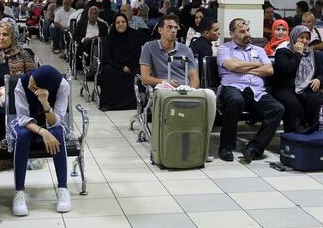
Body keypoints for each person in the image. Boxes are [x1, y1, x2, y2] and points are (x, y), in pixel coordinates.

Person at [140, 15, 215, 161]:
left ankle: (204, 143)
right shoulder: (149, 47)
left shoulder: (185, 50)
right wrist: (165, 81)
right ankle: (161, 145)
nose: (174, 30)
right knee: (164, 94)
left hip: (185, 88)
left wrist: (190, 91)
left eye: (175, 27)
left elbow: (195, 79)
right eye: (169, 27)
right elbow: (145, 78)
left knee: (210, 95)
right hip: (163, 89)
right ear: (160, 30)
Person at [217, 18, 285, 162]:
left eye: (247, 30)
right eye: (242, 31)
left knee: (278, 109)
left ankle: (254, 148)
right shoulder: (224, 49)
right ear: (232, 34)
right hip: (233, 88)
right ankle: (225, 147)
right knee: (235, 100)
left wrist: (243, 68)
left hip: (256, 90)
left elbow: (269, 69)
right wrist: (256, 64)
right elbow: (233, 66)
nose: (246, 34)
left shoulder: (259, 50)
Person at [11, 66, 72, 216]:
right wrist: (42, 131)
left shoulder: (63, 86)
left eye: (34, 86)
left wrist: (45, 103)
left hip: (49, 120)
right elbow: (23, 118)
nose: (29, 86)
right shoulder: (22, 83)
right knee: (23, 135)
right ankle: (19, 191)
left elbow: (55, 120)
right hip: (28, 123)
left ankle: (63, 189)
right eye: (31, 82)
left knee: (58, 133)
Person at [271, 25, 323, 134]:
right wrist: (297, 54)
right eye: (301, 37)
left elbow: (320, 72)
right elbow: (287, 70)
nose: (304, 41)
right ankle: (293, 133)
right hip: (284, 88)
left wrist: (318, 80)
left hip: (305, 88)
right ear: (294, 37)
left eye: (307, 38)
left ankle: (312, 130)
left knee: (316, 100)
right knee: (293, 103)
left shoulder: (311, 53)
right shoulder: (283, 52)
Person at [98, 14, 143, 111]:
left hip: (132, 66)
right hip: (116, 67)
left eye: (123, 22)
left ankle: (136, 102)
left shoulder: (134, 36)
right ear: (114, 25)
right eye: (118, 22)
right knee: (107, 71)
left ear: (127, 23)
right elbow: (107, 59)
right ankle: (110, 104)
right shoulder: (109, 39)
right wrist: (121, 67)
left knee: (140, 71)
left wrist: (130, 66)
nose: (121, 24)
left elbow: (138, 55)